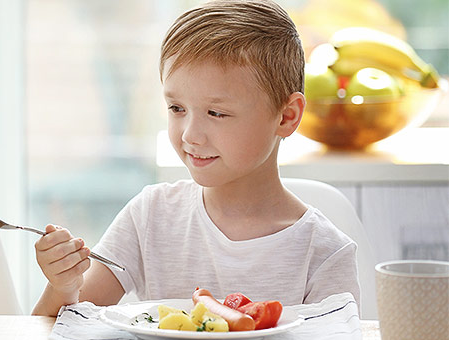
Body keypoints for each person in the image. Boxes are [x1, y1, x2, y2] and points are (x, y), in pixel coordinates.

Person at [31, 0, 360, 317]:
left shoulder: (324, 253)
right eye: (177, 108)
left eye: (216, 112)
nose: (190, 134)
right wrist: (63, 285)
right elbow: (57, 326)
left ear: (286, 117)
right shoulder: (150, 216)